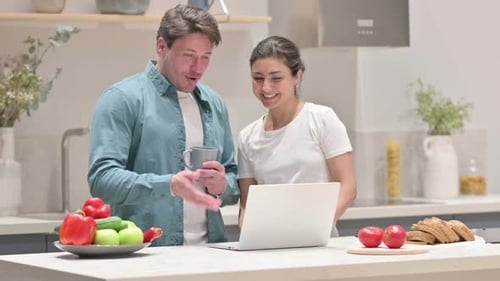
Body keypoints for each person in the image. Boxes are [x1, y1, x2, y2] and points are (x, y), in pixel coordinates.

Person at [87, 4, 239, 246]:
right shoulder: (122, 98)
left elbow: (233, 177)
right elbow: (102, 181)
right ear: (161, 46)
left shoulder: (214, 103)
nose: (198, 68)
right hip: (146, 253)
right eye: (188, 56)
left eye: (206, 57)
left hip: (212, 252)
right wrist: (169, 185)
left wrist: (222, 186)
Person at [237, 36, 357, 236]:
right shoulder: (247, 137)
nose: (266, 87)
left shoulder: (322, 119)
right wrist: (249, 234)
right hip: (269, 247)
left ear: (297, 76)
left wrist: (317, 227)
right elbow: (247, 204)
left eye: (276, 78)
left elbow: (348, 186)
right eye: (258, 78)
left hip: (319, 244)